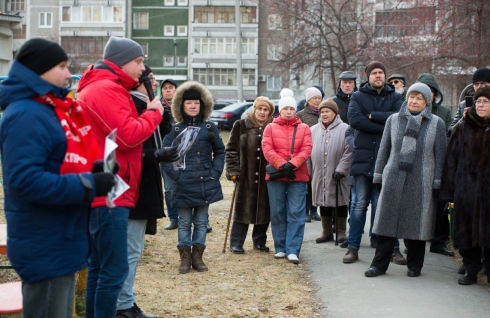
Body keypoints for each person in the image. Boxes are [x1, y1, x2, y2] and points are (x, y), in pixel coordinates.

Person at [0, 38, 115, 317]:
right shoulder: (28, 113)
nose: (68, 73)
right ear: (39, 71)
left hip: (59, 237)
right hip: (44, 242)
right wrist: (88, 185)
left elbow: (56, 166)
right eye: (62, 66)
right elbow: (24, 180)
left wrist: (94, 174)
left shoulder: (45, 109)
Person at [77, 36, 164, 318]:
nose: (142, 68)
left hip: (112, 186)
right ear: (122, 60)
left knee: (101, 267)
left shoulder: (108, 87)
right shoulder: (105, 89)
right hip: (111, 190)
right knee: (112, 270)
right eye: (138, 61)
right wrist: (153, 113)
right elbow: (128, 135)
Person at [364, 83, 447, 278]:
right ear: (407, 98)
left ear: (427, 102)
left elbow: (441, 156)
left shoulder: (436, 123)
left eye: (420, 98)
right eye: (412, 96)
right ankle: (379, 265)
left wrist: (437, 182)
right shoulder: (393, 120)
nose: (414, 101)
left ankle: (415, 265)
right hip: (393, 176)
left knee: (417, 223)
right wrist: (378, 175)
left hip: (421, 180)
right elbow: (384, 149)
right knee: (386, 222)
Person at [116, 66, 179, 318]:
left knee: (134, 248)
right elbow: (124, 148)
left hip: (145, 185)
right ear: (139, 82)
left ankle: (126, 301)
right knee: (130, 250)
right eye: (151, 79)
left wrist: (163, 117)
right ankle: (122, 306)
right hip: (133, 187)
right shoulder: (132, 105)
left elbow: (158, 138)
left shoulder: (148, 106)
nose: (155, 82)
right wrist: (156, 155)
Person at [343, 61, 404, 264]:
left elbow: (400, 120)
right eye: (374, 73)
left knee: (383, 205)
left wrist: (372, 116)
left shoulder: (396, 97)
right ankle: (353, 248)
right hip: (363, 158)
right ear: (368, 76)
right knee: (359, 205)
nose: (378, 76)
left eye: (381, 72)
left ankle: (392, 249)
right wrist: (385, 125)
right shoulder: (358, 97)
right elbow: (354, 121)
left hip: (386, 160)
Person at [161, 81, 225, 274]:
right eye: (188, 103)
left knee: (201, 222)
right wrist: (175, 177)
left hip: (205, 182)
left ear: (202, 105)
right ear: (182, 105)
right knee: (183, 222)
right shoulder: (176, 130)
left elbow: (220, 152)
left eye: (196, 103)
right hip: (182, 184)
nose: (192, 106)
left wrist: (215, 173)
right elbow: (164, 156)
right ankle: (185, 258)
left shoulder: (210, 127)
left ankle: (198, 257)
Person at [440, 85, 490, 285]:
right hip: (466, 190)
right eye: (478, 101)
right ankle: (471, 270)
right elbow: (451, 160)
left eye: (485, 101)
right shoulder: (462, 127)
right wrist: (449, 192)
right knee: (467, 232)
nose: (481, 105)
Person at [262, 88, 312, 264]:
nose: (289, 111)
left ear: (294, 109)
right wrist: (282, 164)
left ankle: (293, 249)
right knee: (277, 212)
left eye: (291, 108)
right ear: (280, 110)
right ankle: (280, 247)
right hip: (277, 176)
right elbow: (267, 148)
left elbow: (306, 149)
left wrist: (293, 164)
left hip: (297, 176)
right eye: (285, 109)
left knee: (296, 213)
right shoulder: (270, 127)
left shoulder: (304, 128)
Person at [225, 96, 275, 254]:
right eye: (259, 108)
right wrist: (233, 170)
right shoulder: (240, 125)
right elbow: (231, 150)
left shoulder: (273, 126)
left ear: (269, 112)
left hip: (266, 177)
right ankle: (236, 242)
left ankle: (259, 241)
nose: (262, 112)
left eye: (265, 109)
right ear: (254, 109)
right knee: (242, 208)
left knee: (264, 209)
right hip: (245, 176)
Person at [415, 73, 454, 257]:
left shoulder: (444, 112)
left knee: (439, 205)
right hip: (416, 164)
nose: (427, 94)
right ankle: (413, 241)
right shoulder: (411, 111)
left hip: (438, 163)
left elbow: (448, 136)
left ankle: (438, 241)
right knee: (415, 205)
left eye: (430, 91)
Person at [309, 99, 352, 244]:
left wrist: (341, 169)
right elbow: (308, 151)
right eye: (322, 112)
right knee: (323, 201)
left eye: (327, 111)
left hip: (339, 174)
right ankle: (326, 232)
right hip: (319, 172)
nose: (324, 114)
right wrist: (309, 173)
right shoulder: (313, 130)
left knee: (340, 201)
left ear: (334, 113)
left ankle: (340, 231)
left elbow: (350, 151)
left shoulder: (346, 128)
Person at [297, 86, 323, 222]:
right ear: (308, 100)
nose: (317, 101)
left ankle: (314, 210)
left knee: (316, 183)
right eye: (315, 98)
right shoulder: (301, 114)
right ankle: (305, 211)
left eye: (319, 98)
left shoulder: (323, 112)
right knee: (306, 183)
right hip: (305, 152)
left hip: (319, 152)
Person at [159, 78, 181, 231]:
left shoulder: (183, 107)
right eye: (165, 87)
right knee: (168, 188)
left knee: (186, 185)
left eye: (171, 87)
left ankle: (189, 218)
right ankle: (174, 219)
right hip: (164, 153)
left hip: (184, 152)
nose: (168, 90)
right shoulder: (156, 108)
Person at [448, 67, 490, 135]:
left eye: (483, 83)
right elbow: (450, 132)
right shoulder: (464, 104)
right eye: (476, 84)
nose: (479, 87)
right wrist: (463, 119)